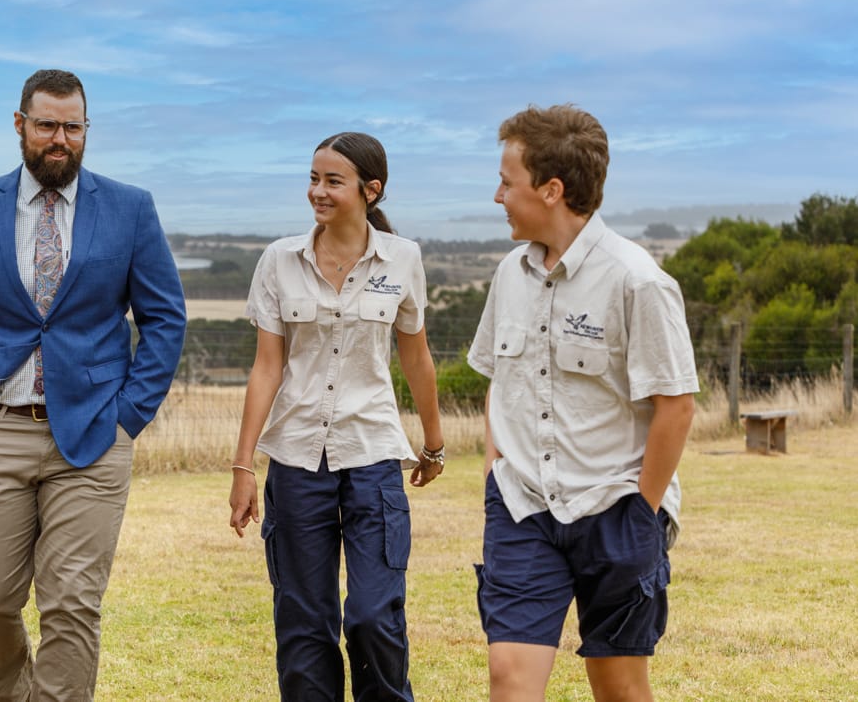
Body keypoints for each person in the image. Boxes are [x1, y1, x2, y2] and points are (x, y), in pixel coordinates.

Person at [0, 68, 187, 701]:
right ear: (20, 125)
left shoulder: (130, 207)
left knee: (72, 604)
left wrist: (128, 415)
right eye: (47, 125)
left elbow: (164, 318)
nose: (60, 139)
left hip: (96, 434)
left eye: (73, 127)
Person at [467, 105, 698, 702]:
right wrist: (495, 471)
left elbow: (676, 406)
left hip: (615, 507)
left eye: (507, 183)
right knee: (509, 678)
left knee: (618, 687)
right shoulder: (508, 275)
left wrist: (642, 513)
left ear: (551, 190)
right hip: (523, 507)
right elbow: (500, 379)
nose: (497, 196)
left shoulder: (637, 280)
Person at [229, 132, 445, 701]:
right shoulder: (279, 260)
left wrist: (434, 442)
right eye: (313, 178)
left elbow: (416, 356)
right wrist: (243, 466)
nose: (317, 192)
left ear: (371, 190)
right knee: (303, 622)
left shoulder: (403, 259)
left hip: (373, 455)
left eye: (332, 181)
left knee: (374, 616)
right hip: (297, 461)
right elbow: (267, 368)